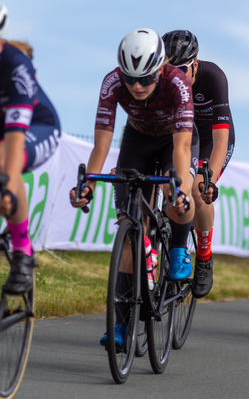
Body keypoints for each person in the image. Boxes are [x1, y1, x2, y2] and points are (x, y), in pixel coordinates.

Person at [69, 28, 199, 347]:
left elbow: (182, 149)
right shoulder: (112, 83)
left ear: (159, 69)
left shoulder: (177, 84)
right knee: (130, 228)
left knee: (177, 192)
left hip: (174, 140)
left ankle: (180, 248)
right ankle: (121, 327)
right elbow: (101, 146)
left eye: (145, 79)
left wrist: (179, 188)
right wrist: (88, 185)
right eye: (131, 79)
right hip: (137, 139)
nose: (137, 86)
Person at [163, 29, 235, 299]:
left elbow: (220, 140)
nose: (175, 77)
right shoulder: (159, 81)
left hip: (210, 138)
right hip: (179, 136)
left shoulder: (213, 77)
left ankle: (204, 256)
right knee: (165, 185)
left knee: (198, 190)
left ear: (194, 64)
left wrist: (210, 181)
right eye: (168, 70)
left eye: (181, 69)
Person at [0, 2, 61, 294]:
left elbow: (13, 145)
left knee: (5, 165)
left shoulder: (16, 67)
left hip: (38, 126)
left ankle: (23, 250)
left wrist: (8, 189)